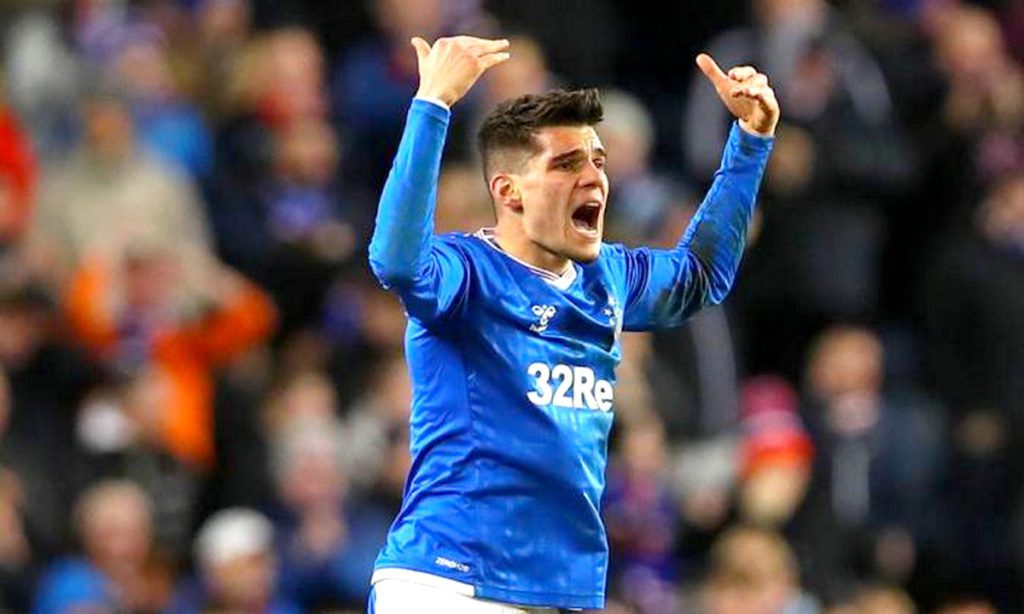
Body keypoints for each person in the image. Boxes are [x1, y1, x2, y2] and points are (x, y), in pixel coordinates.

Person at [366, 35, 778, 612]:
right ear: (508, 191)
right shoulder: (468, 274)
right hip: (450, 581)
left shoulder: (608, 276)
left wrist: (751, 141)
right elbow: (395, 260)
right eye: (566, 164)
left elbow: (699, 277)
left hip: (562, 588)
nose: (594, 179)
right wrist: (432, 104)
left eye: (598, 162)